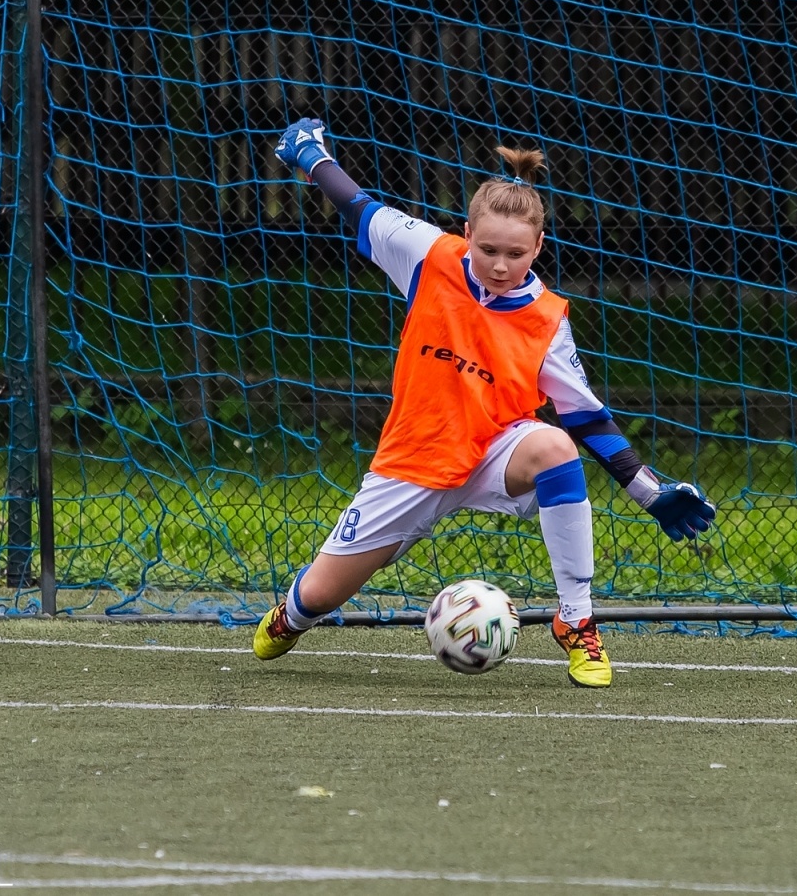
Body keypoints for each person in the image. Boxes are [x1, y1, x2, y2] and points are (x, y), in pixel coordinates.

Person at [254, 118, 716, 687]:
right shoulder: (428, 255)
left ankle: (576, 621)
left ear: (539, 246)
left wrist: (648, 492)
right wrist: (311, 156)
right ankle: (291, 615)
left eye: (516, 254)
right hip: (412, 464)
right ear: (466, 231)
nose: (500, 265)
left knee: (554, 444)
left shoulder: (548, 319)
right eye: (488, 248)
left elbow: (587, 417)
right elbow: (359, 205)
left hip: (493, 452)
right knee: (315, 598)